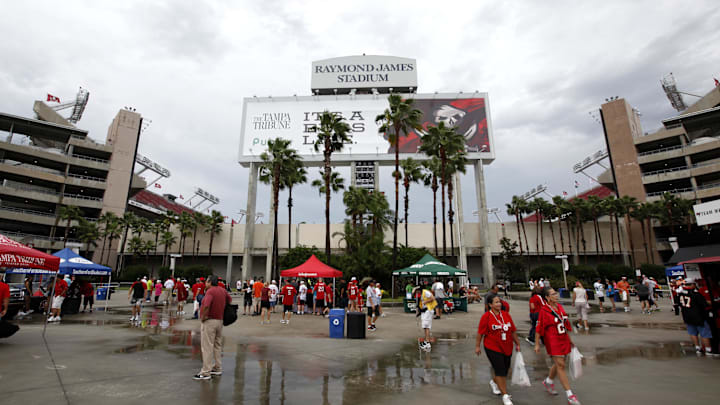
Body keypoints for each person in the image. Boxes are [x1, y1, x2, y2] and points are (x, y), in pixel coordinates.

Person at [534, 287, 581, 405]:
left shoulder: (559, 307)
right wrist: (536, 344)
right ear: (547, 297)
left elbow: (564, 324)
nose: (556, 295)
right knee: (560, 365)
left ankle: (548, 381)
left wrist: (569, 339)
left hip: (563, 338)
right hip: (552, 340)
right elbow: (539, 329)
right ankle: (570, 395)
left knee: (559, 363)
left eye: (556, 293)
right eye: (553, 294)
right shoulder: (544, 311)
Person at [476, 295, 521, 405]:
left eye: (499, 302)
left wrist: (517, 343)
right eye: (496, 302)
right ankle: (505, 395)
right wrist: (477, 346)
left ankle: (494, 382)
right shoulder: (486, 317)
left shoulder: (506, 315)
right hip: (492, 347)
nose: (499, 304)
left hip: (507, 346)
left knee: (505, 370)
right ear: (490, 305)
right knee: (500, 370)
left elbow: (513, 330)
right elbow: (480, 333)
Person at [193, 276, 232, 380]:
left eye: (206, 281)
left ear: (210, 282)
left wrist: (203, 317)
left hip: (210, 321)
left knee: (207, 346)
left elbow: (206, 305)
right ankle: (217, 367)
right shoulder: (222, 290)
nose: (205, 283)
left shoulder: (210, 292)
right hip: (219, 320)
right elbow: (229, 300)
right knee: (217, 345)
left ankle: (206, 372)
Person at [679, 278, 713, 356]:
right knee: (704, 334)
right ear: (692, 284)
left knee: (693, 333)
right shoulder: (696, 294)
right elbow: (704, 304)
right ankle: (708, 349)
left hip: (687, 316)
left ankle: (698, 347)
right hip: (698, 316)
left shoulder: (681, 293)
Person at [417, 286, 437, 351]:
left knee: (427, 326)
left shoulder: (425, 292)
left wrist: (426, 302)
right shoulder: (420, 294)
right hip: (424, 311)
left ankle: (428, 343)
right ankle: (426, 341)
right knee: (424, 327)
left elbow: (433, 298)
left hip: (428, 310)